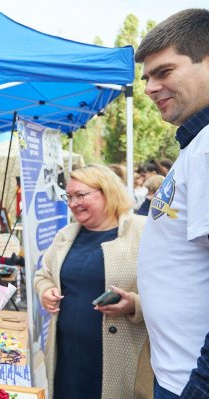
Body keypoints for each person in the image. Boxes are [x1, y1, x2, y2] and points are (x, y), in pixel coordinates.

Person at [135, 9, 209, 398]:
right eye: (147, 77)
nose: (149, 87)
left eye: (164, 71)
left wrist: (201, 386)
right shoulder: (197, 144)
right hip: (177, 375)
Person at [34, 164, 152, 399]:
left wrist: (133, 305)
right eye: (69, 196)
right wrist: (45, 290)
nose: (73, 203)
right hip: (68, 358)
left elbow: (170, 291)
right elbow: (43, 275)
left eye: (80, 195)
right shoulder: (66, 235)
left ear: (107, 192)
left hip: (119, 361)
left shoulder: (142, 231)